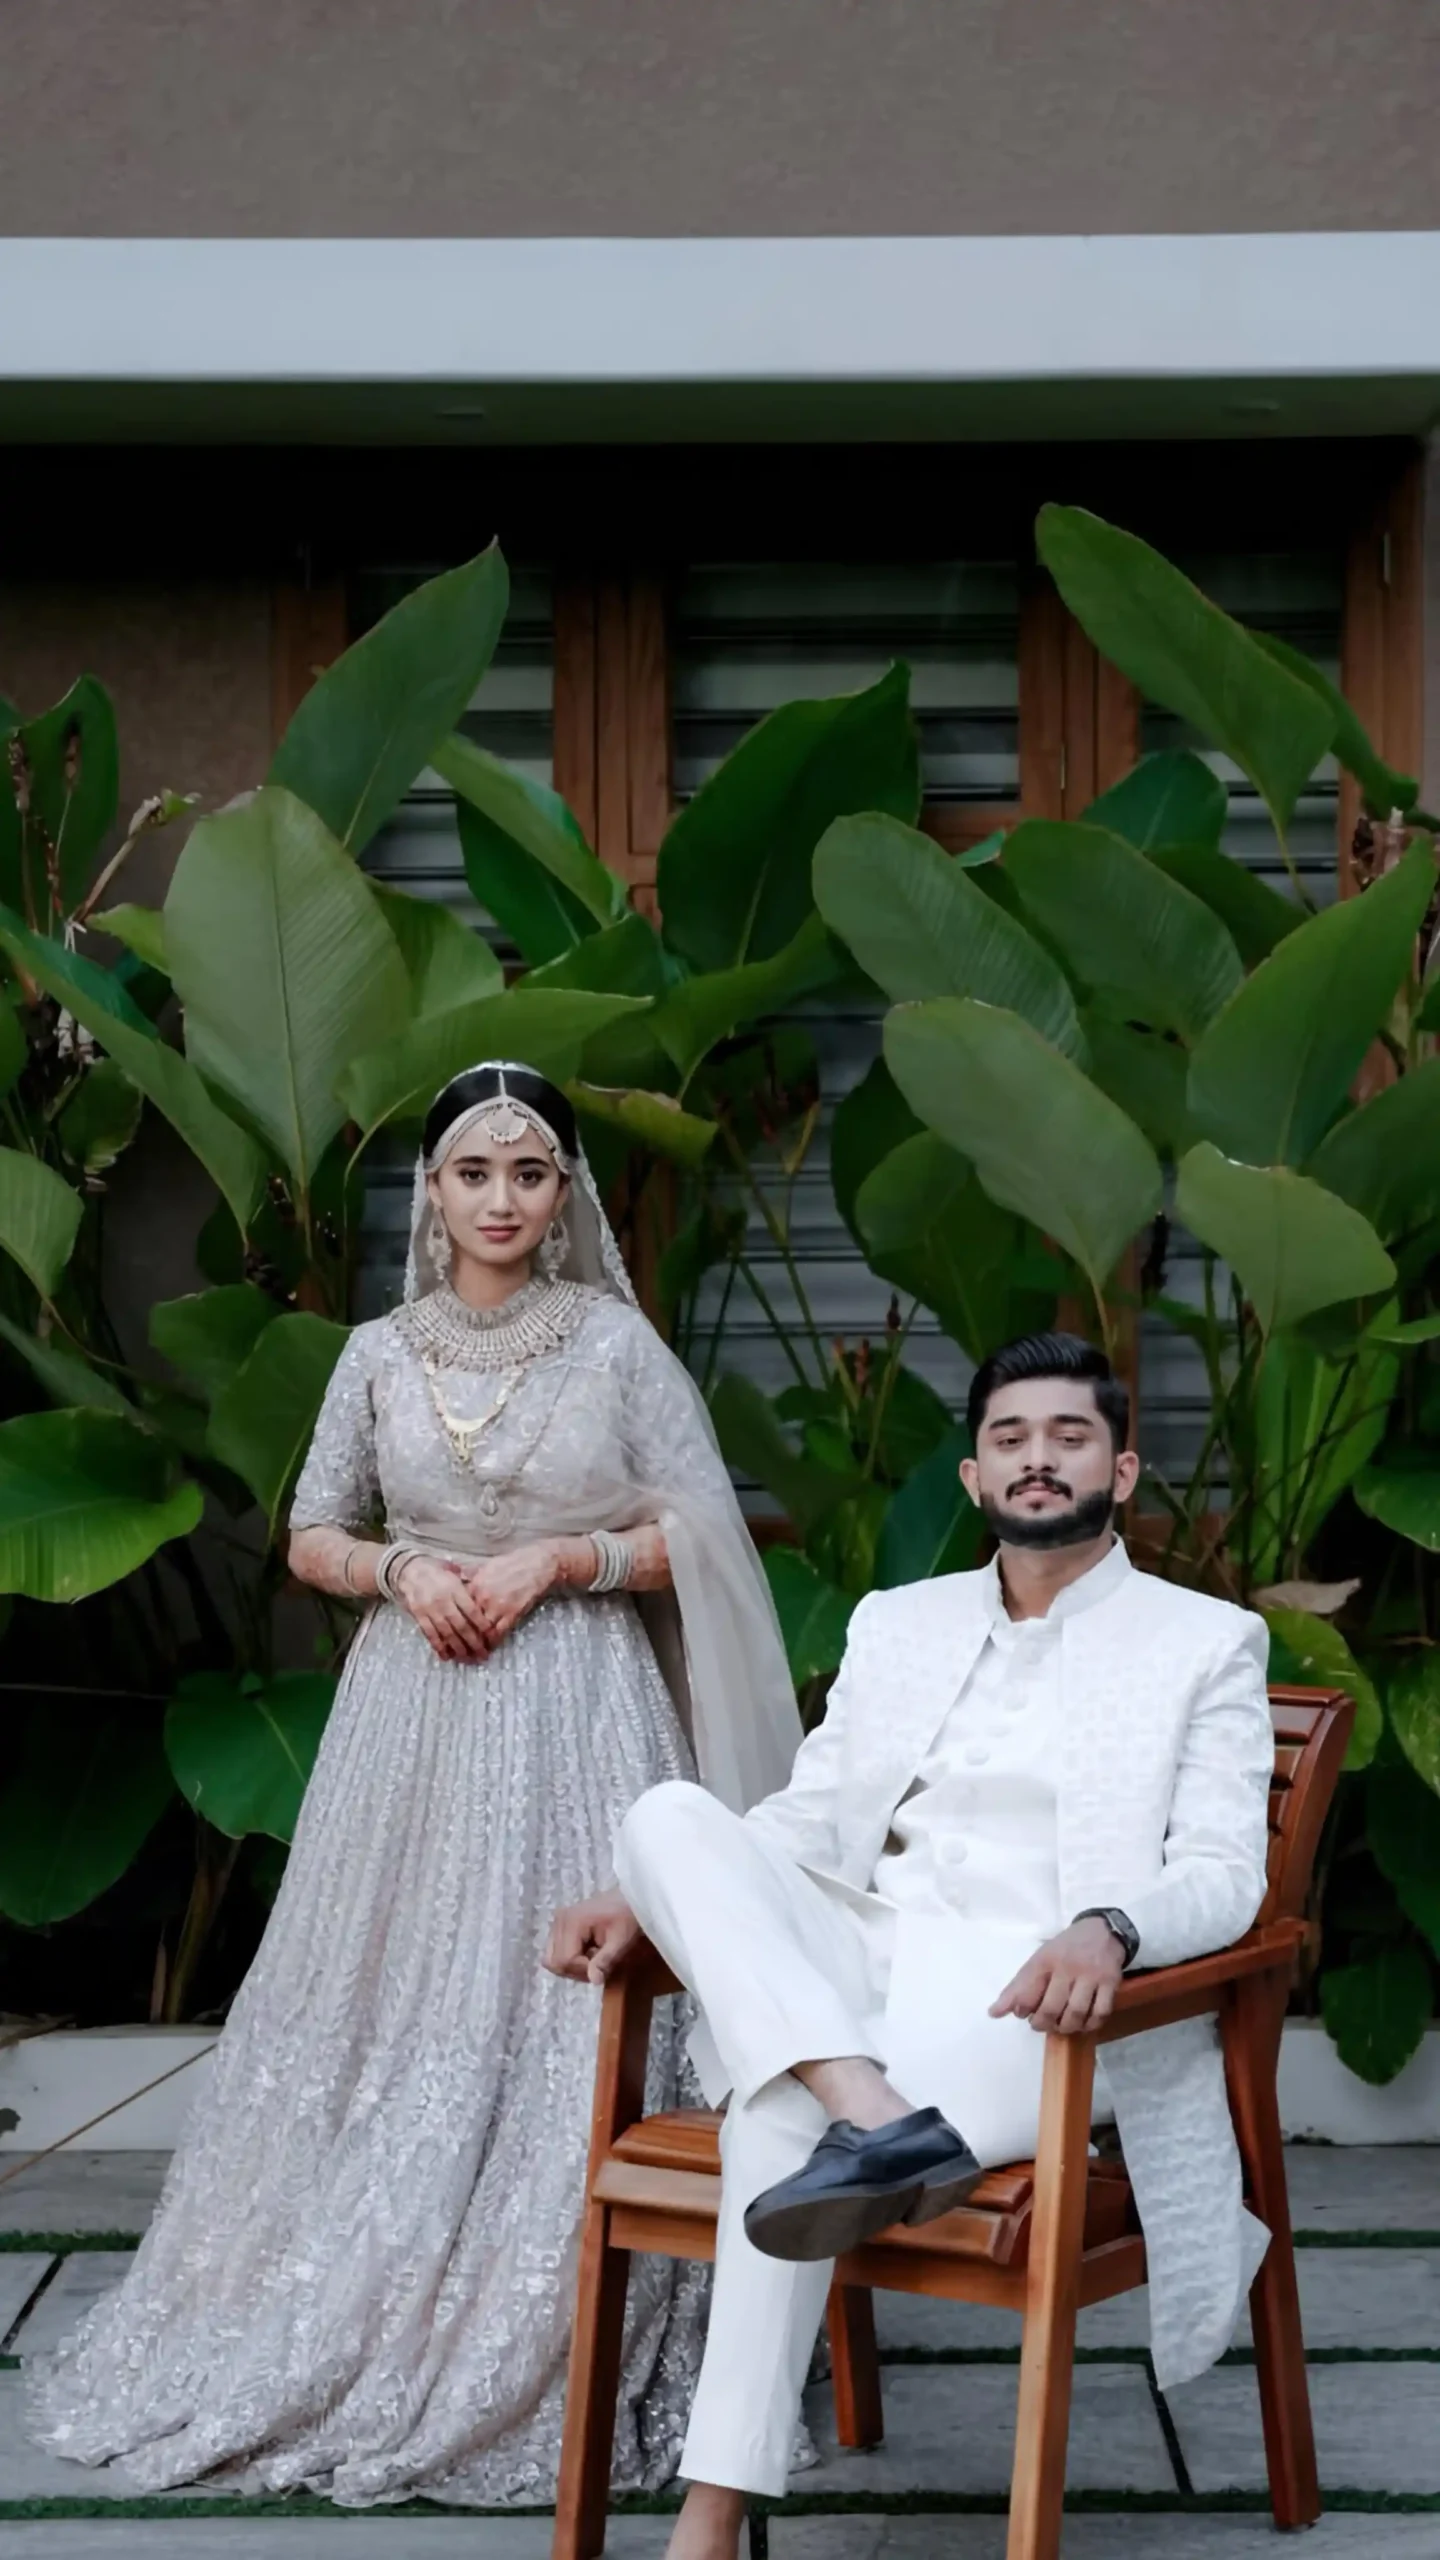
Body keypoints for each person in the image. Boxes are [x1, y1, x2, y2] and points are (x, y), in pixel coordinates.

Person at [28, 1060, 800, 2508]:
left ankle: (566, 2314)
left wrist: (566, 1561)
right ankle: (340, 2294)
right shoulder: (376, 1353)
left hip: (580, 1703)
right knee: (387, 1991)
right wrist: (400, 1571)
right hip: (413, 1715)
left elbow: (702, 1541)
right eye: (470, 1173)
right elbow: (314, 1525)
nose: (500, 1200)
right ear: (431, 1197)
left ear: (563, 1194)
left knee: (564, 1997)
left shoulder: (620, 1350)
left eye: (528, 1173)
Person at [547, 1330, 1276, 2560]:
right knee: (663, 1819)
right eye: (1010, 1439)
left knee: (779, 2120)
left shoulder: (1204, 1641)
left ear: (1126, 1470)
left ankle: (707, 2521)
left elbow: (1225, 1873)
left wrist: (1111, 1925)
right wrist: (658, 1897)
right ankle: (868, 2102)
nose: (1038, 1460)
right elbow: (805, 1819)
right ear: (975, 1481)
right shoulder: (902, 1620)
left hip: (1023, 1995)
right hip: (856, 1957)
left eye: (1069, 1436)